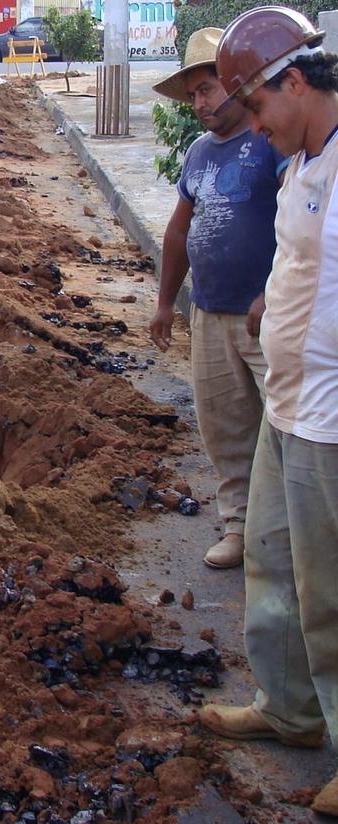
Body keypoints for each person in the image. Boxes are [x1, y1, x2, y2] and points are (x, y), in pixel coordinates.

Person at [195, 8, 338, 816]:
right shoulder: (298, 166)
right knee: (271, 564)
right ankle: (290, 711)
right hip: (288, 407)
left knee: (331, 590)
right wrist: (269, 307)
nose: (250, 124)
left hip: (331, 422)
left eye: (255, 105)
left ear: (295, 80)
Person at [149, 27, 287, 570]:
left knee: (284, 427)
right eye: (194, 95)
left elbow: (304, 226)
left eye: (207, 89)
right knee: (225, 429)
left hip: (265, 317)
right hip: (208, 312)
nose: (200, 103)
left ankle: (288, 538)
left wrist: (273, 292)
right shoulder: (199, 154)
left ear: (234, 84)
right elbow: (179, 231)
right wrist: (166, 303)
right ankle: (239, 526)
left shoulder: (271, 140)